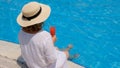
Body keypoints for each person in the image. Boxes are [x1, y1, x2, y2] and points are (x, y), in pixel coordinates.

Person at [17, 1, 73, 68]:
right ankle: (68, 53)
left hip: (31, 65)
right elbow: (52, 59)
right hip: (44, 66)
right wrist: (51, 41)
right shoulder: (45, 36)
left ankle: (65, 50)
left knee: (56, 49)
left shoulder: (21, 33)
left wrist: (51, 41)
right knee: (65, 54)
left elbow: (34, 44)